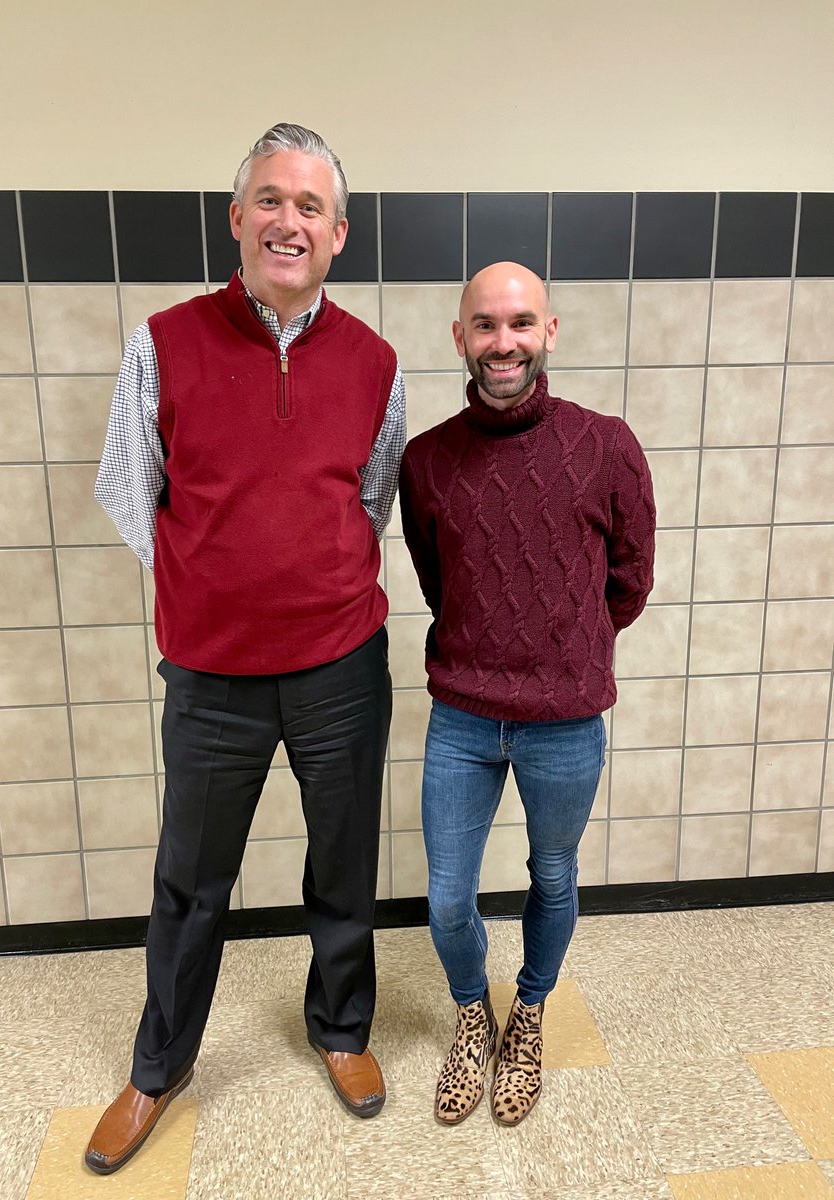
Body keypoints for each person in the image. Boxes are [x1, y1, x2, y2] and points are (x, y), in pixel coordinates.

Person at [84, 123, 405, 1175]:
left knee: (343, 866)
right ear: (237, 217)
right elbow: (132, 495)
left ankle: (343, 1031)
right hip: (213, 676)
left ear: (339, 234)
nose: (288, 221)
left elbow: (371, 499)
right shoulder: (164, 341)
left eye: (310, 207)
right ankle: (159, 1065)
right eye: (271, 199)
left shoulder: (374, 361)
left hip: (341, 668)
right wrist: (218, 580)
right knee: (191, 879)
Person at [399, 262, 655, 1127]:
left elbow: (630, 579)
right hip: (463, 717)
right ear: (460, 338)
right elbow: (443, 582)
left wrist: (570, 652)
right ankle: (474, 1013)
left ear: (549, 332)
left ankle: (531, 1009)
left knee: (552, 874)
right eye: (483, 325)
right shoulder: (426, 460)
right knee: (445, 896)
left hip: (566, 722)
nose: (500, 343)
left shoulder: (607, 443)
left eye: (518, 324)